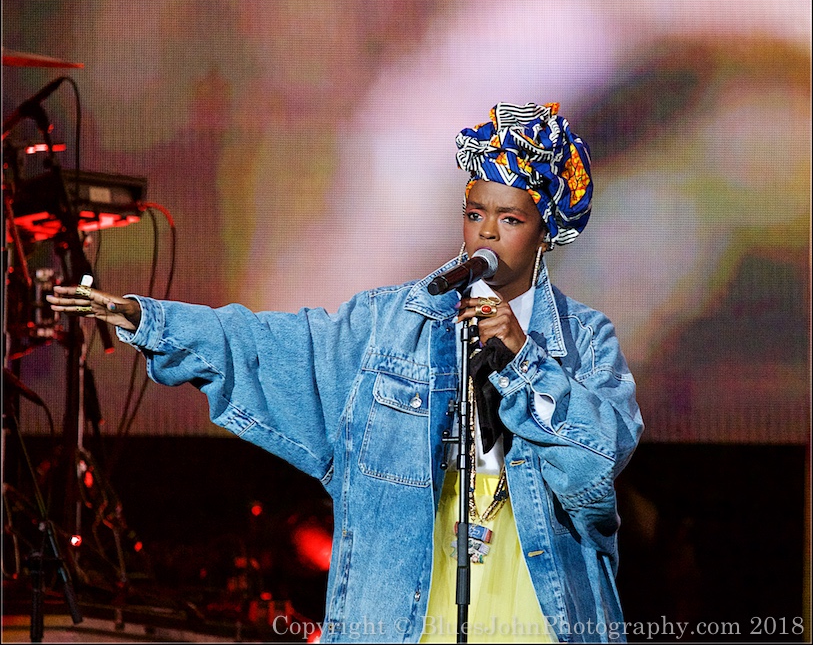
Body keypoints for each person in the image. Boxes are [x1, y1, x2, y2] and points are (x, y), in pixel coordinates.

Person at [49, 102, 644, 643]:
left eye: (509, 218)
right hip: (408, 604)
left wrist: (522, 362)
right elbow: (273, 347)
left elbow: (594, 470)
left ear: (547, 232)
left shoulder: (585, 340)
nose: (485, 232)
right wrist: (148, 318)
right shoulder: (390, 323)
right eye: (474, 212)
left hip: (536, 603)